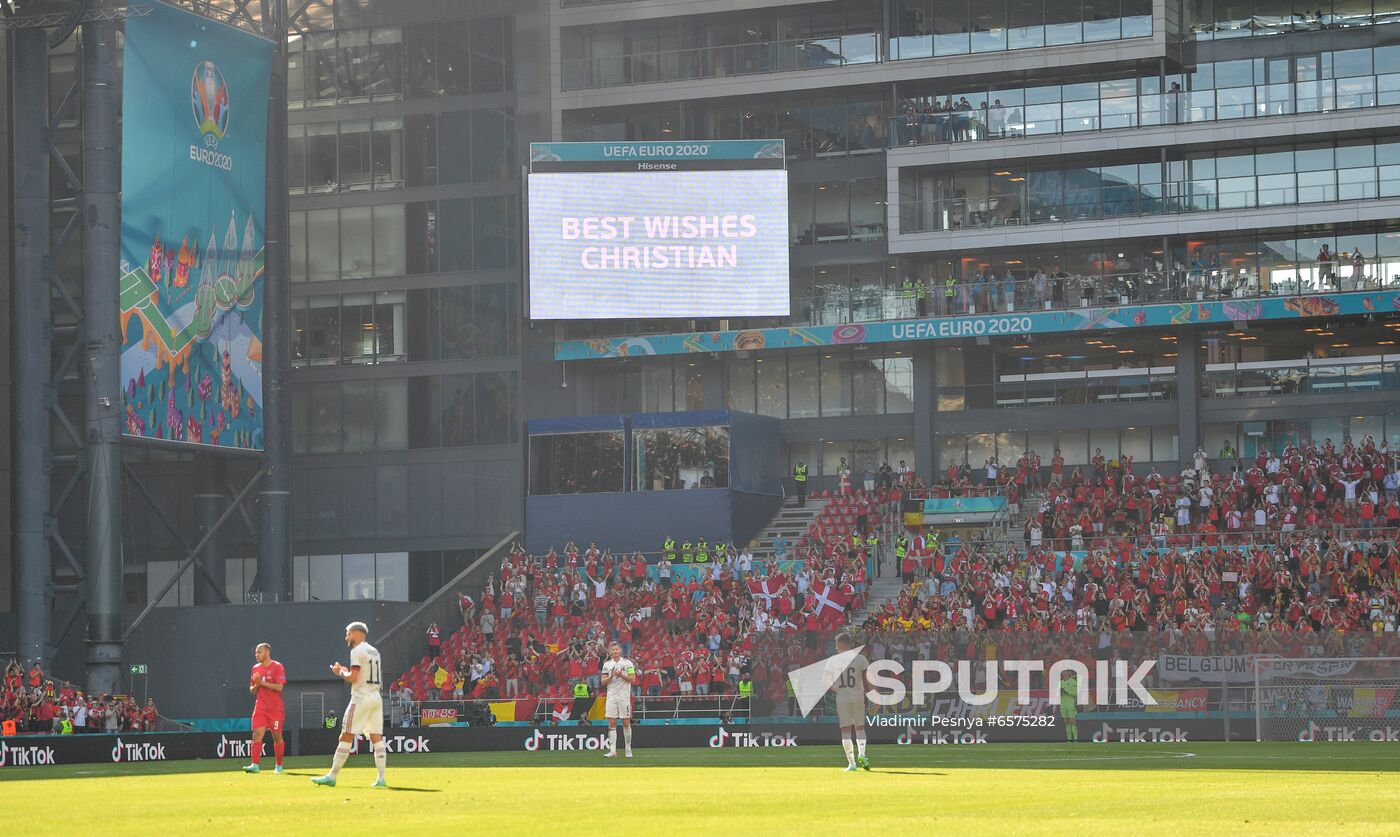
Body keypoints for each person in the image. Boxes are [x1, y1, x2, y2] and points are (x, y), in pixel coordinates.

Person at [312, 622, 387, 788]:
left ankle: (332, 776)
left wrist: (340, 672)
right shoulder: (374, 651)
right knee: (376, 738)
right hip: (376, 696)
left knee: (346, 735)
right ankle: (381, 778)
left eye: (348, 633)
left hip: (361, 697)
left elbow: (353, 677)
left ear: (355, 633)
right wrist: (347, 671)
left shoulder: (357, 650)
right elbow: (362, 674)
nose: (346, 637)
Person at [826, 632, 870, 771]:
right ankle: (862, 754)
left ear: (839, 644)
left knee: (845, 730)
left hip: (843, 698)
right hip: (857, 697)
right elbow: (867, 679)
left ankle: (851, 763)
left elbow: (826, 681)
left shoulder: (833, 660)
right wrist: (872, 693)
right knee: (860, 728)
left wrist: (836, 689)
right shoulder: (861, 659)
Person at [242, 642, 286, 774]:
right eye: (256, 652)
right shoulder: (255, 668)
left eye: (259, 652)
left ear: (267, 652)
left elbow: (279, 687)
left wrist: (262, 683)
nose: (256, 655)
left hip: (275, 709)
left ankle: (279, 765)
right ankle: (254, 765)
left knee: (277, 737)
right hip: (260, 707)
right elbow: (252, 690)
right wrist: (256, 685)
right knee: (256, 735)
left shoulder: (277, 666)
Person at [600, 642, 637, 758]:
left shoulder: (627, 663)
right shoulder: (606, 665)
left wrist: (621, 675)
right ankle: (613, 750)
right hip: (611, 697)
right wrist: (611, 676)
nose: (615, 651)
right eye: (613, 650)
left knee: (626, 723)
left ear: (620, 650)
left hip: (624, 697)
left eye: (616, 649)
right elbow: (603, 681)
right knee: (612, 723)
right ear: (610, 652)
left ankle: (628, 748)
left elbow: (633, 679)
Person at [1059, 670, 1082, 742]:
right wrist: (1059, 693)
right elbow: (1056, 694)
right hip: (1063, 704)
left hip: (1071, 704)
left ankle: (1075, 739)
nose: (1064, 673)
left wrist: (1067, 692)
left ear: (1069, 673)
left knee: (1072, 721)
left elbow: (1076, 693)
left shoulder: (1073, 681)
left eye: (1066, 671)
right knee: (1066, 722)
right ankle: (1069, 739)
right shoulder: (1060, 682)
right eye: (1063, 672)